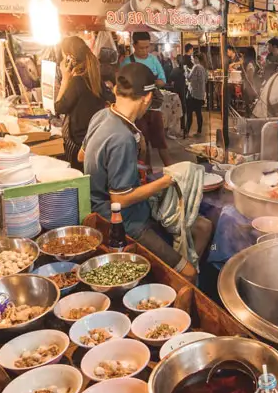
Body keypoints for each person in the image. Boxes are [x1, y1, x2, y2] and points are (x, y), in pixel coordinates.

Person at [83, 63, 211, 281]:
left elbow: (81, 155)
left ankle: (180, 269)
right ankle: (178, 283)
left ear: (116, 90)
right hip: (123, 221)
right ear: (147, 98)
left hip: (101, 205)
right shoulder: (121, 138)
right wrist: (168, 180)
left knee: (203, 225)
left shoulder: (102, 115)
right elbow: (119, 199)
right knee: (189, 274)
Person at [120, 32, 172, 168]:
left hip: (154, 108)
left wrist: (151, 82)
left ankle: (171, 170)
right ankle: (146, 174)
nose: (145, 51)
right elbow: (122, 87)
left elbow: (163, 80)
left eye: (147, 47)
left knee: (161, 141)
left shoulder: (154, 60)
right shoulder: (127, 63)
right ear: (134, 46)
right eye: (141, 48)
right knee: (142, 144)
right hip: (136, 110)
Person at [55, 36, 106, 168]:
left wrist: (65, 79)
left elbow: (59, 107)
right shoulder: (95, 79)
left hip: (77, 142)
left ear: (69, 58)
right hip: (92, 139)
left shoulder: (77, 82)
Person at [186, 52, 208, 137]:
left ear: (196, 59)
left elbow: (189, 78)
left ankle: (186, 131)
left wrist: (185, 71)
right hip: (200, 94)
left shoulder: (196, 67)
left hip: (193, 93)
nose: (192, 60)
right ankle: (199, 131)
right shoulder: (203, 68)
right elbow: (205, 80)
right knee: (198, 113)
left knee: (189, 113)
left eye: (192, 58)